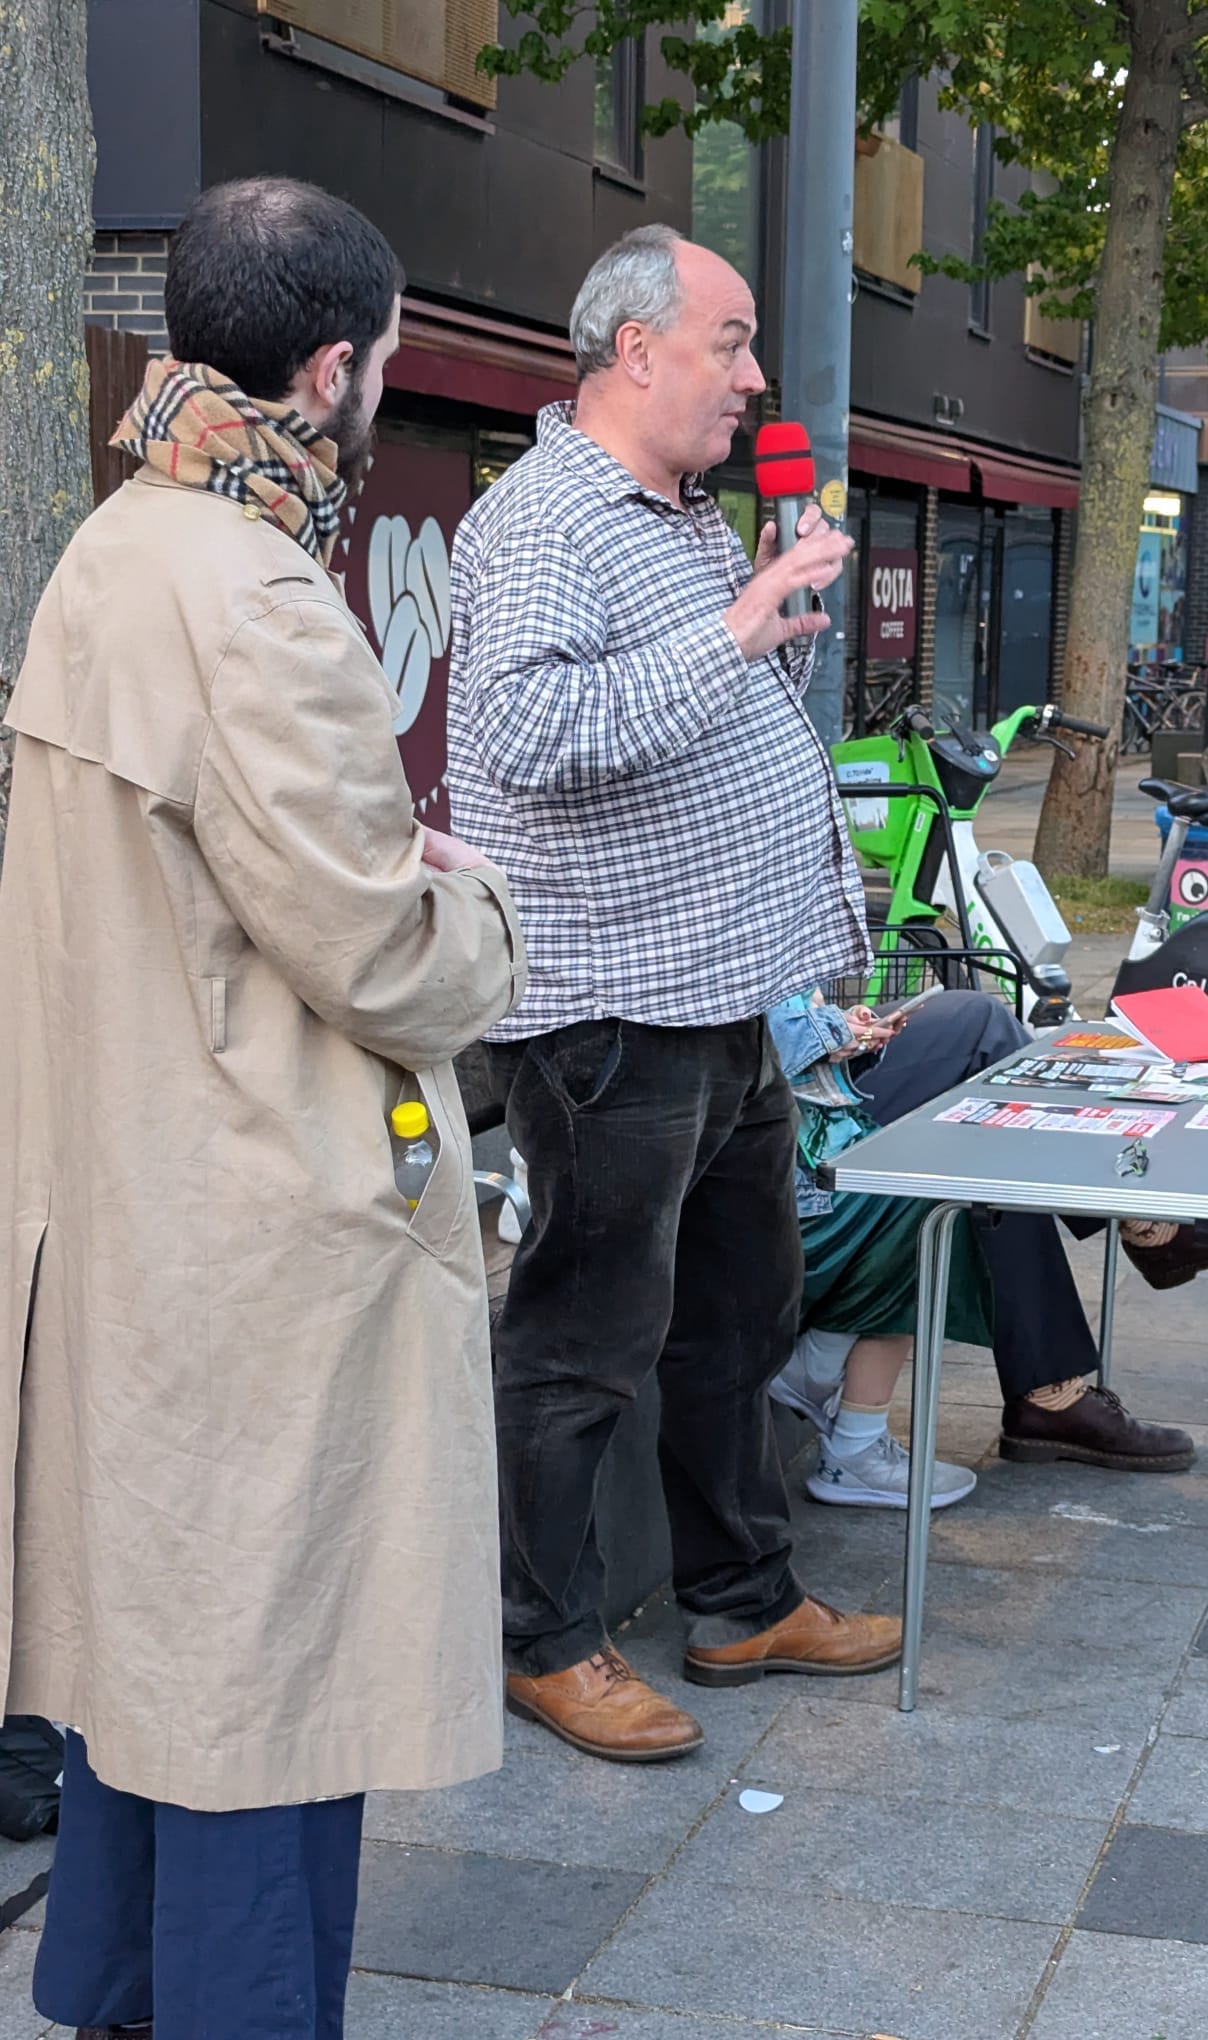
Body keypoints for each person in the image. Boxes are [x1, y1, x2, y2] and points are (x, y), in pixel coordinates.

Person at [0, 178, 526, 2040]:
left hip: (130, 1196)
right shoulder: (260, 596)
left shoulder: (115, 545)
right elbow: (385, 959)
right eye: (385, 360)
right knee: (268, 1687)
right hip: (261, 1228)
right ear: (331, 368)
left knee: (160, 1655)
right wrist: (475, 899)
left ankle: (123, 1992)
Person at [446, 224, 901, 1768]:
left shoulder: (688, 518)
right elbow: (523, 734)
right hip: (608, 1012)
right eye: (731, 342)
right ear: (635, 351)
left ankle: (740, 1597)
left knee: (737, 1316)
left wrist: (761, 622)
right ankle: (547, 1639)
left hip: (723, 997)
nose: (756, 376)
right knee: (584, 1339)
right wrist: (730, 631)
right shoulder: (539, 521)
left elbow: (706, 718)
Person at [768, 988, 1208, 1504]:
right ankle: (1141, 1239)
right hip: (772, 1091)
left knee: (984, 1030)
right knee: (983, 1053)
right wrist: (832, 1031)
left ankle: (1056, 1380)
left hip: (804, 1068)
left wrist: (842, 1021)